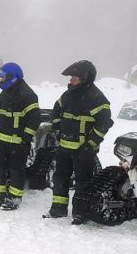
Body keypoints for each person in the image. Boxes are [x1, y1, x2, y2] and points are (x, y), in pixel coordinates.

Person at [44, 60, 112, 223]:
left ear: (85, 78)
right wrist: (57, 128)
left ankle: (81, 213)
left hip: (84, 150)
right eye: (71, 78)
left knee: (83, 182)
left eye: (74, 78)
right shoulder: (68, 95)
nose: (71, 80)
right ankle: (58, 209)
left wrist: (90, 145)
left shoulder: (97, 98)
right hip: (64, 147)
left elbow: (104, 124)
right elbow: (56, 110)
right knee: (60, 178)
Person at [0, 62, 40, 210]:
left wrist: (27, 137)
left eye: (3, 78)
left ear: (12, 77)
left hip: (18, 142)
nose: (1, 80)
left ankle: (14, 199)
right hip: (2, 139)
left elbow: (35, 118)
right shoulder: (5, 93)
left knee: (16, 170)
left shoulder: (28, 95)